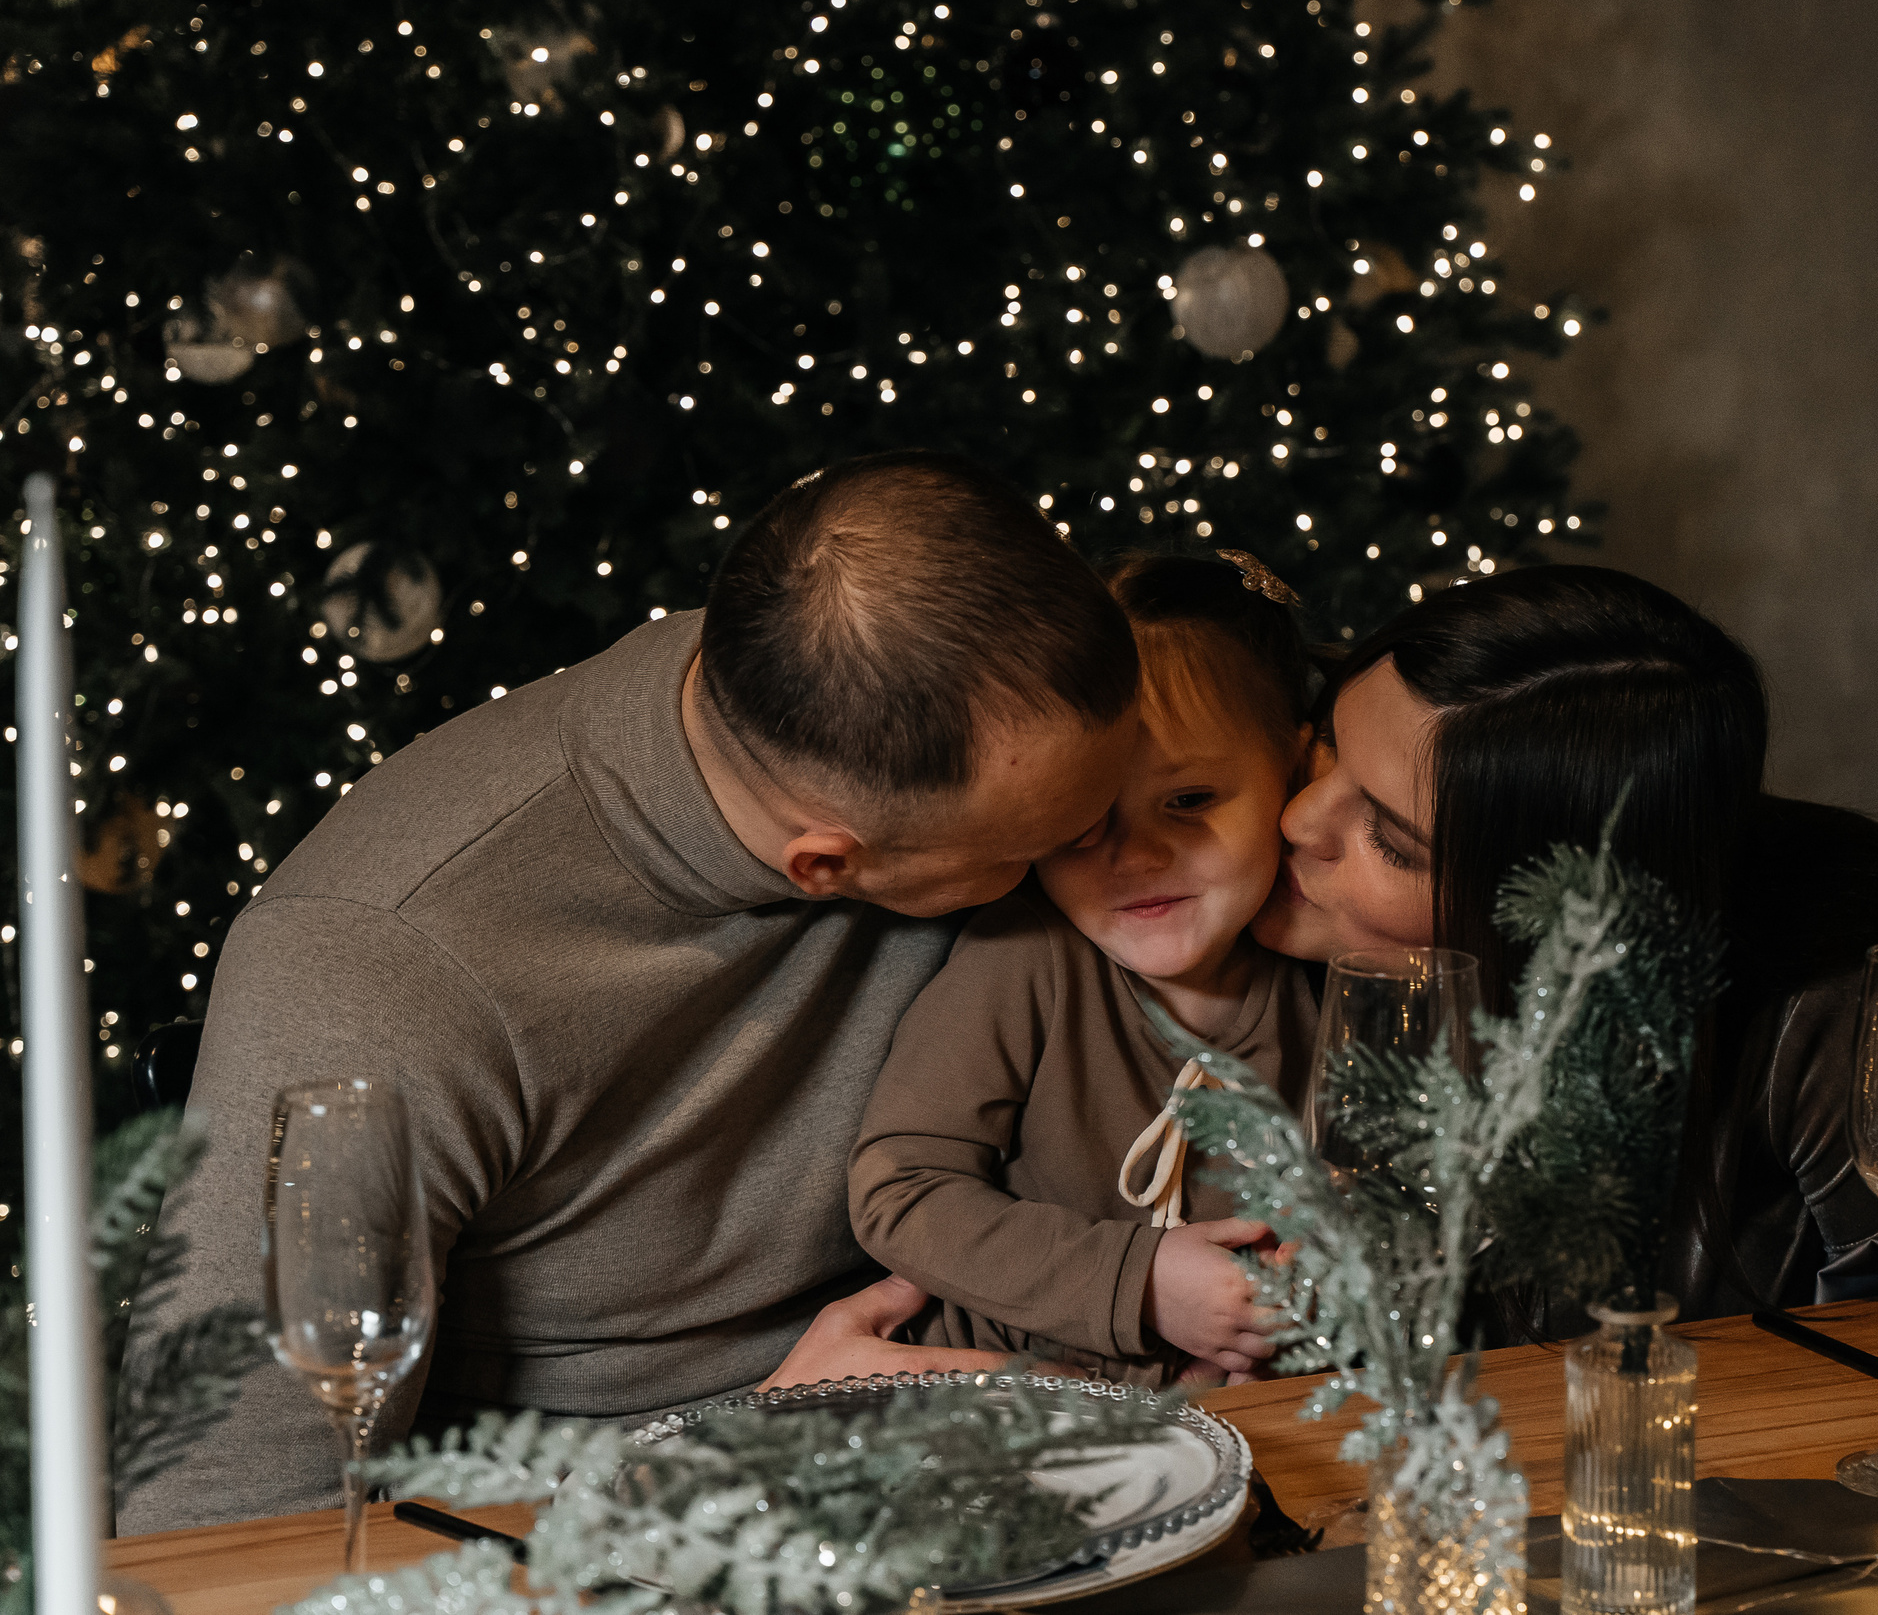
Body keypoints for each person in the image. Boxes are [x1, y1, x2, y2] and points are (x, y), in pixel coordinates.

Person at [119, 453, 1142, 1532]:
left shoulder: (868, 706)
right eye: (1052, 845)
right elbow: (215, 1520)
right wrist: (728, 1463)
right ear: (826, 867)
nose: (1112, 857)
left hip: (1019, 1442)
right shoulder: (379, 963)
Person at [1250, 564, 1878, 1320]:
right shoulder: (1207, 904)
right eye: (1326, 745)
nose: (1299, 819)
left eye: (1389, 838)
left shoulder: (1839, 993)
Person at [847, 553, 1317, 1388]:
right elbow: (902, 1190)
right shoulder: (1025, 956)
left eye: (1190, 800)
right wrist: (1141, 1283)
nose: (1135, 855)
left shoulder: (1328, 977)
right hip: (1006, 1414)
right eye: (1081, 823)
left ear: (1296, 767)